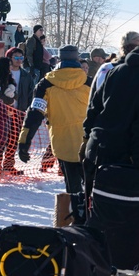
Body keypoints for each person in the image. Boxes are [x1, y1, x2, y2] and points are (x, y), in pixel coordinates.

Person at [18, 45, 92, 223]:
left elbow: (35, 114)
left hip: (62, 143)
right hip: (89, 143)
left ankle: (71, 224)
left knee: (72, 188)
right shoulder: (91, 82)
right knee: (91, 187)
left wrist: (24, 141)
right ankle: (92, 224)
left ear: (59, 60)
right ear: (77, 61)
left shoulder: (45, 84)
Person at [84, 29, 139, 172]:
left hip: (98, 148)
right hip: (125, 158)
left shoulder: (116, 71)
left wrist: (88, 137)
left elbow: (94, 107)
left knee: (94, 194)